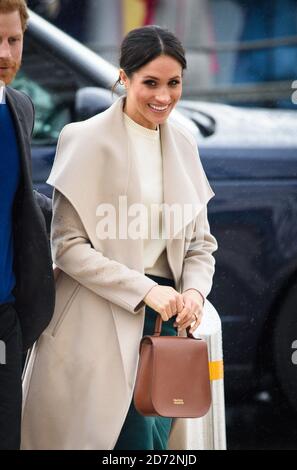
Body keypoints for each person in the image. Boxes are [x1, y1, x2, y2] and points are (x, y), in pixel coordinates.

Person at [21, 25, 217, 450]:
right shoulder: (84, 140)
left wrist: (196, 294)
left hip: (168, 330)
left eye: (173, 83)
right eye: (150, 83)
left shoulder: (185, 145)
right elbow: (68, 248)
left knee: (160, 447)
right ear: (123, 78)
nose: (163, 97)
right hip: (97, 323)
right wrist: (146, 290)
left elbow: (201, 244)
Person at [0, 0, 55, 450]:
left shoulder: (18, 107)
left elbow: (15, 196)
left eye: (13, 40)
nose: (4, 52)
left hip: (5, 318)